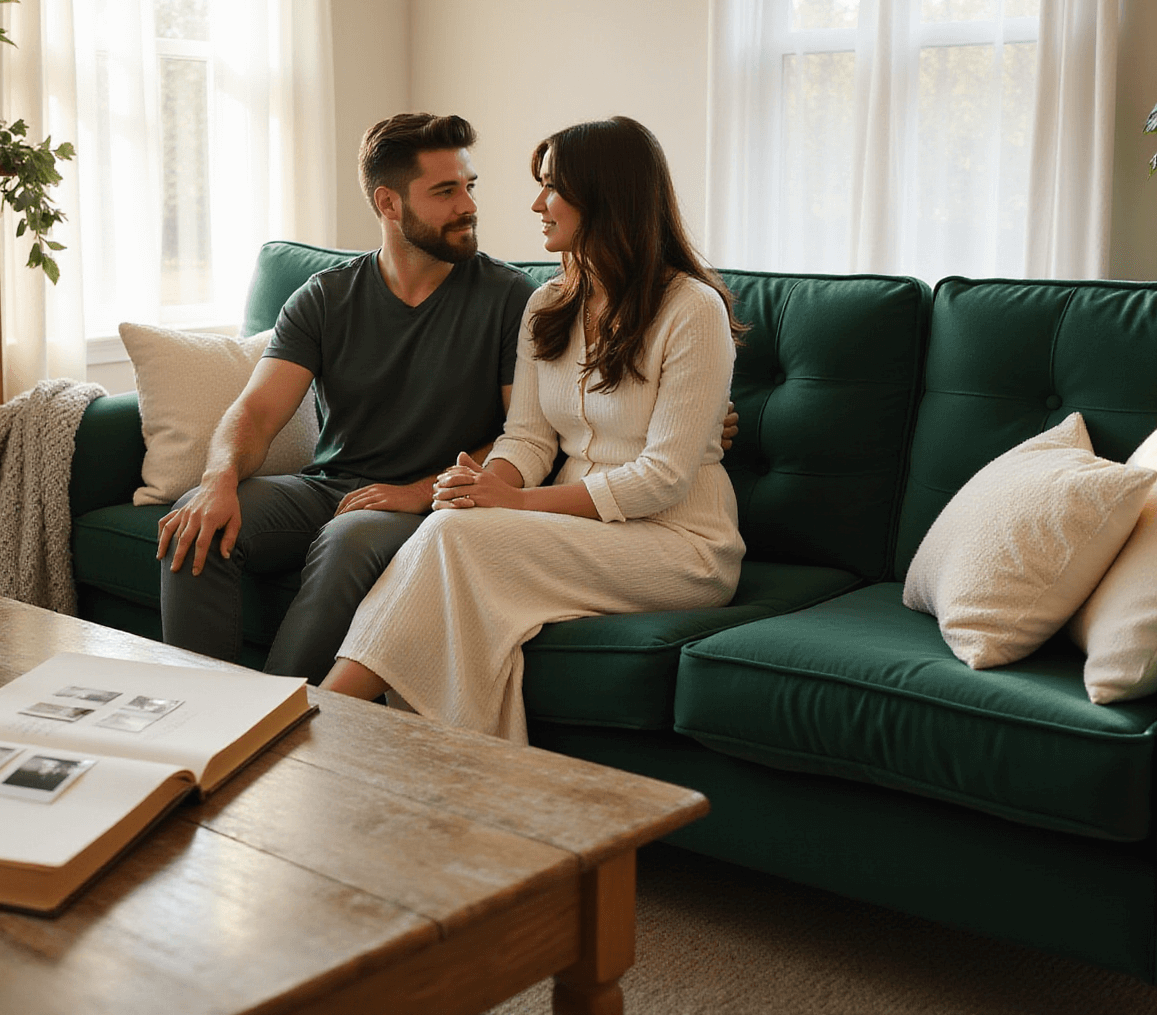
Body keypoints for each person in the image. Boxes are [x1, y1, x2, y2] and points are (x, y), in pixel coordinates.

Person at [322, 116, 746, 743]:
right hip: (576, 527)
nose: (536, 204)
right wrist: (482, 484)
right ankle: (408, 752)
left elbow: (663, 479)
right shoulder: (547, 305)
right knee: (454, 525)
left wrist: (514, 502)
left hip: (681, 544)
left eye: (552, 187)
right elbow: (528, 438)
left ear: (605, 196)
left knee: (458, 539)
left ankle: (322, 716)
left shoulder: (691, 309)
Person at [154, 113, 539, 679]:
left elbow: (523, 435)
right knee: (195, 519)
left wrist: (417, 491)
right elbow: (257, 412)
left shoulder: (509, 297)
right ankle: (205, 714)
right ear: (389, 204)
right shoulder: (325, 297)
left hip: (438, 505)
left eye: (469, 186)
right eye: (445, 191)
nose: (468, 205)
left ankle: (275, 721)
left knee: (349, 538)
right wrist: (218, 481)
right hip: (333, 486)